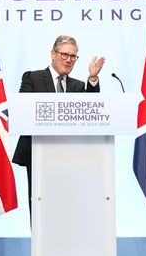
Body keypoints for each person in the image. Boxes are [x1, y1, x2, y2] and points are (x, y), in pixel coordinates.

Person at [12, 35, 106, 212]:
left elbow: (91, 111)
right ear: (52, 54)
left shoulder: (78, 86)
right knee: (40, 207)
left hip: (70, 155)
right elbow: (22, 110)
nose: (69, 60)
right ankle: (40, 240)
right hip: (38, 153)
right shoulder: (33, 77)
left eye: (73, 57)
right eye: (65, 55)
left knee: (66, 206)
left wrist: (92, 79)